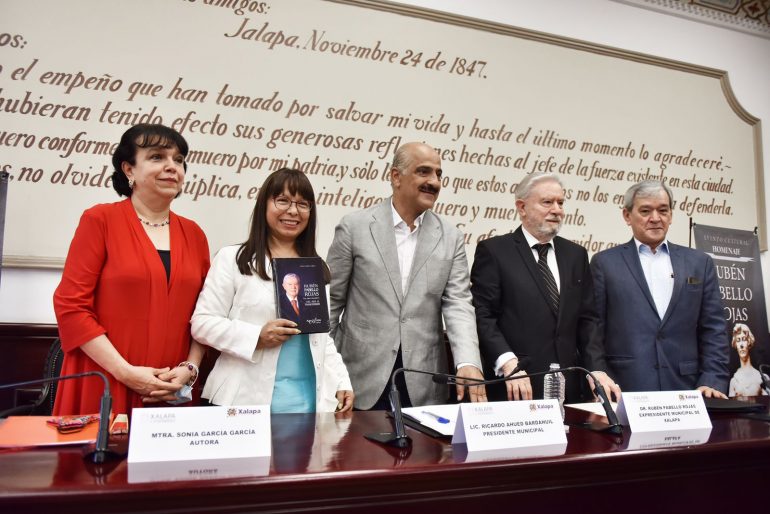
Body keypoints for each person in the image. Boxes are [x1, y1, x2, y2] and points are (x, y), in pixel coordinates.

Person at [53, 124, 210, 415]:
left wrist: (190, 368)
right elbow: (71, 307)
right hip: (106, 380)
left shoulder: (194, 234)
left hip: (172, 388)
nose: (172, 167)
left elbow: (205, 313)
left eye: (178, 160)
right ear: (129, 169)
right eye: (157, 157)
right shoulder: (100, 220)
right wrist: (125, 373)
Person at [327, 142, 486, 410]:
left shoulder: (451, 237)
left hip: (423, 382)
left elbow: (458, 303)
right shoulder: (354, 227)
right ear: (396, 177)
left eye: (438, 174)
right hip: (358, 379)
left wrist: (468, 362)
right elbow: (331, 303)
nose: (434, 182)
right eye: (424, 171)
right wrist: (327, 370)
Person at [191, 168, 353, 413]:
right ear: (264, 205)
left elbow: (321, 336)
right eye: (283, 200)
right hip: (244, 400)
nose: (293, 211)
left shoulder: (317, 268)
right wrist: (256, 336)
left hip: (308, 401)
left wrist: (341, 380)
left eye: (302, 204)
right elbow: (202, 324)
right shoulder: (232, 259)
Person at [471, 172, 620, 403]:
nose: (557, 210)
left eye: (561, 203)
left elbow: (588, 320)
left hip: (569, 388)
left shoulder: (575, 255)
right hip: (517, 386)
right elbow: (483, 315)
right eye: (548, 202)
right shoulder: (494, 251)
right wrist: (508, 362)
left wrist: (596, 369)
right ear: (522, 207)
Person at [591, 180, 729, 397]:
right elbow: (594, 330)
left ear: (671, 215)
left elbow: (714, 328)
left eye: (663, 210)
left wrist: (713, 379)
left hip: (689, 388)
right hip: (625, 387)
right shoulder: (604, 263)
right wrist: (599, 378)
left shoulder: (699, 263)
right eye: (645, 211)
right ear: (627, 216)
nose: (655, 218)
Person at [729, 323, 768, 397]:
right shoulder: (734, 381)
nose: (741, 345)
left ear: (749, 342)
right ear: (735, 344)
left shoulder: (761, 377)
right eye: (738, 340)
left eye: (744, 339)